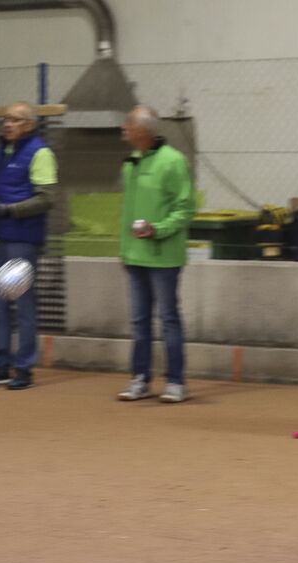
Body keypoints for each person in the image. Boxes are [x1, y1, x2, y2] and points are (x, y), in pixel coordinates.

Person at [0, 102, 58, 391]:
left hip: (22, 238)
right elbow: (2, 192)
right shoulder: (2, 151)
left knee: (23, 303)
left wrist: (9, 210)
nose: (7, 124)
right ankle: (0, 364)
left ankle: (23, 368)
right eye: (5, 119)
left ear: (29, 125)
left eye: (15, 120)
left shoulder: (40, 153)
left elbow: (46, 199)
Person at [116, 105, 196, 403]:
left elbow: (185, 209)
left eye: (128, 123)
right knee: (139, 321)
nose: (123, 128)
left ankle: (175, 382)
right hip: (135, 256)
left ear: (143, 130)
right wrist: (124, 251)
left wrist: (158, 230)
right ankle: (140, 378)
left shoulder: (173, 162)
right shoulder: (131, 163)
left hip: (164, 257)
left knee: (168, 318)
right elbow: (128, 212)